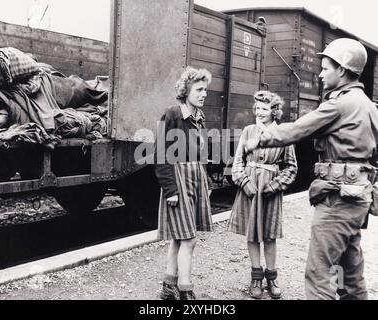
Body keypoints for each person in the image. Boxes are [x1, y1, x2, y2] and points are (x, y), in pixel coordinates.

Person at [249, 38, 378, 300]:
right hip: (356, 200)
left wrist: (259, 138)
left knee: (320, 275)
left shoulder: (340, 104)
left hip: (337, 201)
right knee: (348, 275)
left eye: (325, 68)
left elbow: (297, 129)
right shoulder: (368, 106)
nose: (320, 74)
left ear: (342, 70)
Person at [229, 91, 297, 299]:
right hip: (250, 189)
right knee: (252, 234)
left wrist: (274, 186)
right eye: (257, 108)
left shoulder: (282, 134)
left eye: (264, 109)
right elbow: (237, 163)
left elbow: (291, 168)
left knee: (269, 234)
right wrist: (244, 183)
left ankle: (272, 276)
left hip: (269, 190)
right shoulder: (248, 131)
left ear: (274, 111)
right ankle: (256, 277)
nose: (259, 112)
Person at [154, 66, 214, 300]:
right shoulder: (172, 114)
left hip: (195, 178)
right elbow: (160, 154)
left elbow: (201, 153)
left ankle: (169, 287)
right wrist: (170, 190)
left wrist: (206, 183)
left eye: (205, 90)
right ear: (186, 90)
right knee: (189, 238)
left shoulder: (199, 117)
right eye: (199, 89)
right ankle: (185, 290)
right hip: (178, 181)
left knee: (181, 236)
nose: (204, 94)